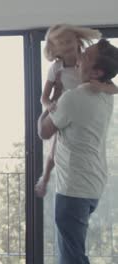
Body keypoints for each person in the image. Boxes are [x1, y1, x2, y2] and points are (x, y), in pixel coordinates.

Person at [37, 38, 118, 264]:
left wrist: (49, 104)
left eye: (87, 57)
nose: (79, 59)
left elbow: (43, 132)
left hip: (73, 189)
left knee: (72, 257)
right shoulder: (106, 95)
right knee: (72, 250)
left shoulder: (73, 97)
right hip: (92, 186)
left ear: (97, 72)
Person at [35, 24, 114, 197]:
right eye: (62, 44)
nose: (68, 46)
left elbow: (113, 87)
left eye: (69, 41)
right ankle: (45, 178)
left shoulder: (87, 61)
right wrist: (51, 104)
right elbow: (44, 97)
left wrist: (103, 87)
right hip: (64, 109)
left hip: (78, 109)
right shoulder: (57, 68)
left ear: (77, 40)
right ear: (55, 49)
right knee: (54, 152)